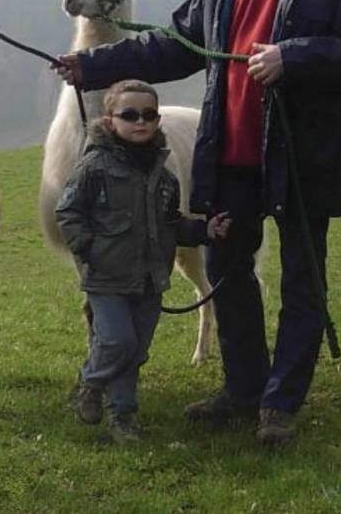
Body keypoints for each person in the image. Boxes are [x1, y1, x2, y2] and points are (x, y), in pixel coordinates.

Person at [53, 0, 341, 445]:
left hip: (303, 159)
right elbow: (172, 47)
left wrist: (295, 56)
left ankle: (280, 404)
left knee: (302, 280)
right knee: (228, 271)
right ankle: (243, 389)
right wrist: (91, 67)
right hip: (233, 154)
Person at [56, 80, 231, 444]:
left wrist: (204, 231)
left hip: (150, 279)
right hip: (107, 279)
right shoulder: (93, 167)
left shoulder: (163, 176)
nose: (140, 122)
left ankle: (123, 416)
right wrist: (89, 249)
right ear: (110, 119)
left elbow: (173, 224)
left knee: (136, 350)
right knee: (117, 340)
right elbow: (69, 212)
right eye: (130, 114)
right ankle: (91, 382)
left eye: (149, 115)